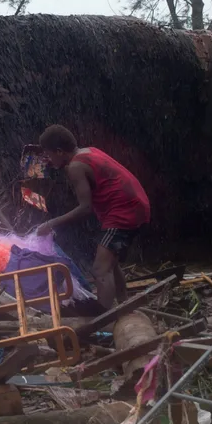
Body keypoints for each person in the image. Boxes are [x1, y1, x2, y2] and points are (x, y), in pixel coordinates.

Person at [33, 125, 149, 309]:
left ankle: (102, 317)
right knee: (111, 263)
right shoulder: (88, 152)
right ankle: (125, 306)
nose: (48, 159)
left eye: (49, 154)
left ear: (60, 151)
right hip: (136, 204)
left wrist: (51, 223)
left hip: (124, 211)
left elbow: (85, 208)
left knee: (99, 269)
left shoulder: (75, 167)